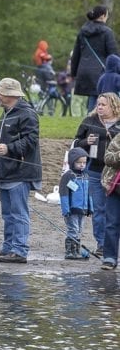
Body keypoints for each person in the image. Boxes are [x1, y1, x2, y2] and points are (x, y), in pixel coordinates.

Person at [0, 78, 41, 264]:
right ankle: (8, 248)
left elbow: (31, 141)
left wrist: (9, 148)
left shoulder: (27, 114)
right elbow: (3, 138)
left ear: (11, 95)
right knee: (8, 213)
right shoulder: (7, 112)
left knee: (19, 213)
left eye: (0, 92)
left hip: (20, 171)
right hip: (5, 170)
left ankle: (19, 250)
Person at [74, 92, 120, 256]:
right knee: (99, 209)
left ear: (113, 106)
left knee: (113, 210)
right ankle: (102, 245)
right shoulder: (89, 121)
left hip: (116, 174)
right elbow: (75, 143)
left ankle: (113, 245)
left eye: (103, 104)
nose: (99, 107)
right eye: (98, 104)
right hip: (94, 171)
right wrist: (86, 142)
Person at [72, 5, 118, 112]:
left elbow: (76, 54)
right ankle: (93, 125)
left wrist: (74, 73)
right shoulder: (107, 32)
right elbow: (113, 55)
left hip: (84, 71)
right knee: (100, 101)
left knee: (93, 100)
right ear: (102, 16)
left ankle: (91, 123)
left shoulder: (82, 32)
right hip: (101, 71)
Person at [59, 147, 92, 260]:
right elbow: (63, 194)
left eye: (84, 162)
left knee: (79, 230)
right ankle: (70, 251)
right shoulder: (68, 176)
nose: (82, 165)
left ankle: (76, 250)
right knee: (73, 229)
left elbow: (89, 193)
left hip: (82, 210)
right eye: (79, 162)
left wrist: (90, 208)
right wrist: (65, 209)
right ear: (72, 162)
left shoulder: (86, 176)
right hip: (72, 210)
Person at [100, 131, 120, 270]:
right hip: (115, 188)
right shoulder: (119, 137)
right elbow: (107, 158)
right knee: (111, 223)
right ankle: (109, 257)